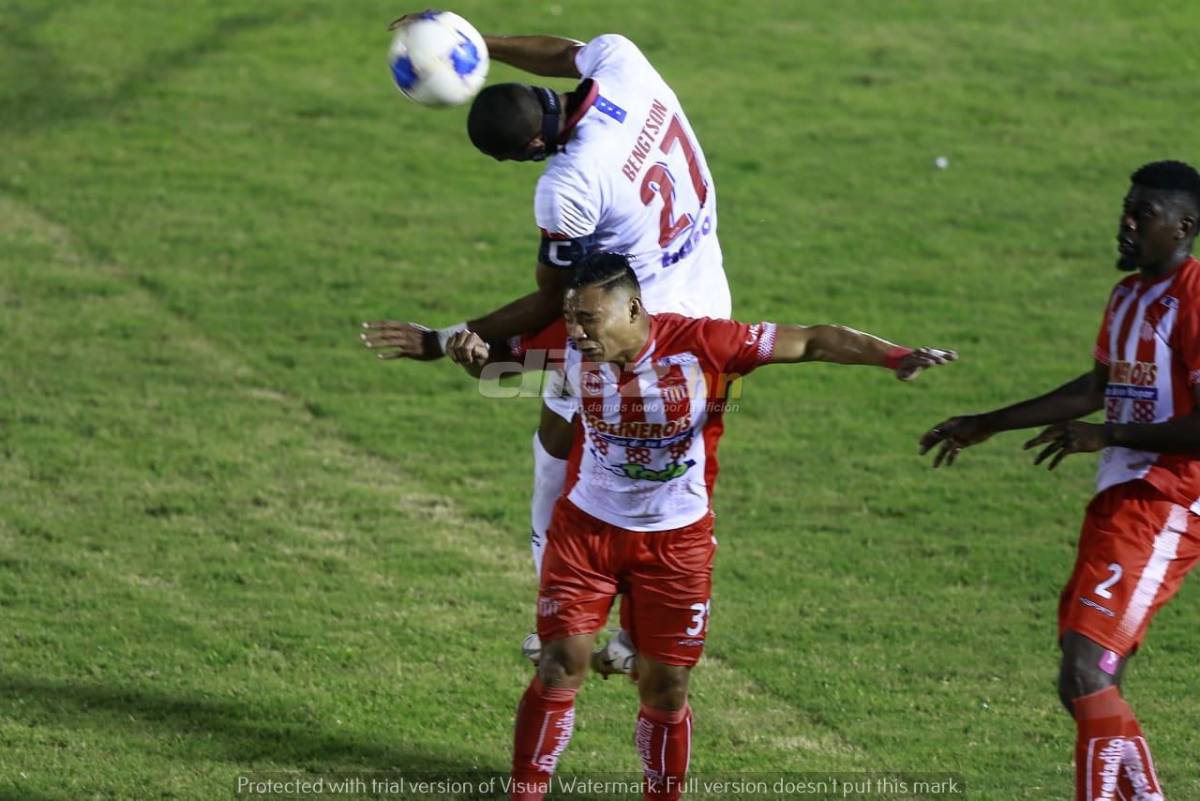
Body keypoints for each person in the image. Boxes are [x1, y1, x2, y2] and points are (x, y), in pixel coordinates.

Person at [447, 252, 956, 800]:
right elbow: (495, 364)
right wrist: (470, 353)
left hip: (676, 542)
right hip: (585, 534)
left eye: (588, 320)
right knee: (557, 667)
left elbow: (813, 340)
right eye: (571, 318)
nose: (576, 332)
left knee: (665, 687)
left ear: (634, 309)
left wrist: (895, 356)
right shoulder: (565, 345)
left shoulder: (704, 344)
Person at [364, 18, 732, 671]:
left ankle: (560, 610)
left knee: (566, 453)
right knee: (671, 473)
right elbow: (568, 52)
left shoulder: (568, 184)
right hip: (710, 308)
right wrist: (480, 45)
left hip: (636, 331)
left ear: (532, 145)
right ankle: (649, 626)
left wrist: (445, 338)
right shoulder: (626, 65)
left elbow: (550, 303)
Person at [919, 160, 1200, 801]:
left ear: (1183, 226)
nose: (1126, 222)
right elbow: (1096, 388)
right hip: (1120, 500)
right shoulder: (1129, 296)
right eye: (1126, 208)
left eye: (1143, 213)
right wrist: (989, 422)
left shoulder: (1195, 297)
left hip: (1167, 502)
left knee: (1087, 674)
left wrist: (1110, 434)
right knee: (1084, 682)